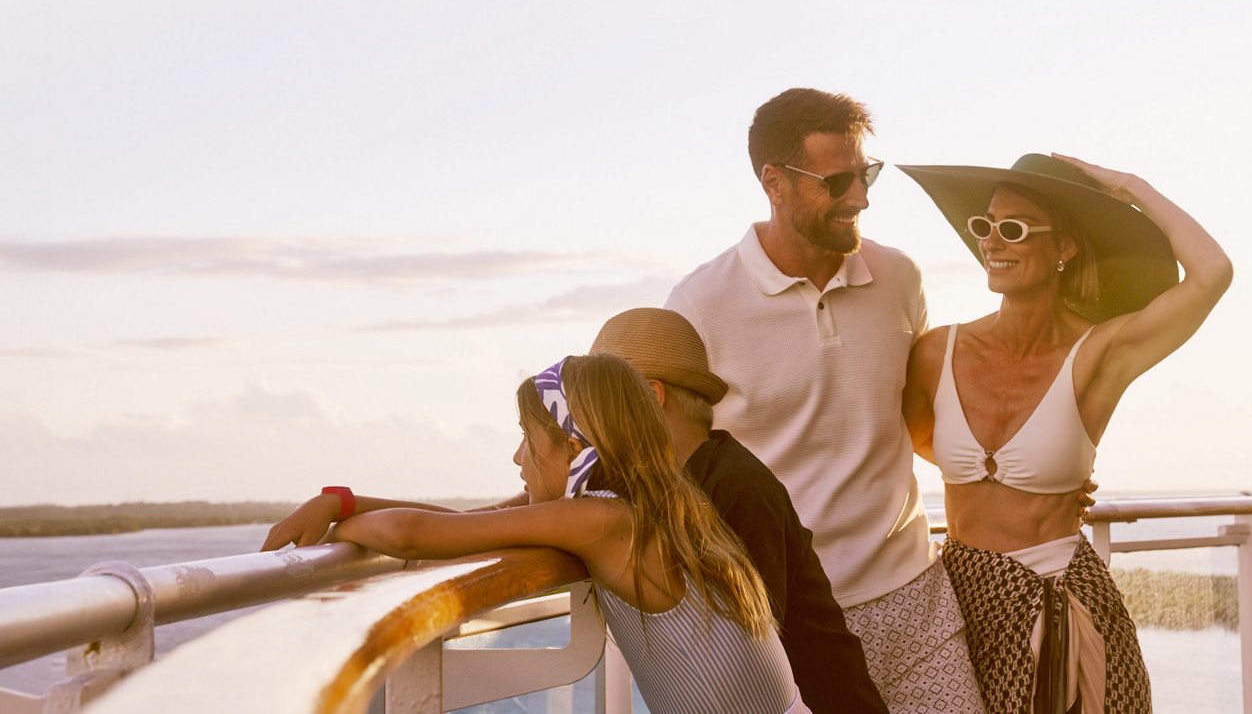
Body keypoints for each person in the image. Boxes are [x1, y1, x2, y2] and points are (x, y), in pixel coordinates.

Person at [665, 87, 985, 712]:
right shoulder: (700, 305)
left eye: (866, 174)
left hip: (916, 597)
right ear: (774, 183)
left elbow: (920, 422)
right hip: (792, 615)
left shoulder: (900, 279)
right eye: (837, 181)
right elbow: (668, 457)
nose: (861, 197)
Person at [263, 353, 809, 714]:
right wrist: (344, 499)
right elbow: (463, 525)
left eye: (528, 437)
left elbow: (410, 535)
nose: (518, 457)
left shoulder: (604, 519)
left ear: (574, 448)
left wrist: (345, 520)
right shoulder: (659, 501)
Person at [898, 153, 1232, 712]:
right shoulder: (936, 351)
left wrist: (1130, 186)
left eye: (1014, 229)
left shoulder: (1099, 353)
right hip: (963, 610)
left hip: (1068, 612)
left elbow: (1212, 274)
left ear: (1064, 248)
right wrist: (1023, 479)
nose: (992, 243)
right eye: (985, 226)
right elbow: (917, 443)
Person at [590, 307, 888, 713]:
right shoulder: (669, 483)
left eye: (604, 404)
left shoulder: (739, 489)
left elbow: (746, 646)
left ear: (652, 397)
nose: (592, 426)